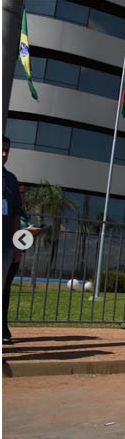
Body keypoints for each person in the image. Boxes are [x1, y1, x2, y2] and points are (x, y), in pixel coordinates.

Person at [2, 183, 45, 344]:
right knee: (3, 292)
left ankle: (4, 330)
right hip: (7, 249)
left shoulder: (21, 211)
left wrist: (31, 232)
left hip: (13, 252)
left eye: (22, 193)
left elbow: (17, 229)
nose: (21, 195)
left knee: (5, 292)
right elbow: (10, 226)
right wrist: (27, 231)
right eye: (18, 192)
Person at [2, 136, 22, 344]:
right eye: (1, 150)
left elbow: (16, 214)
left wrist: (17, 245)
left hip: (5, 245)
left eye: (7, 150)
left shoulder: (11, 180)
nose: (4, 154)